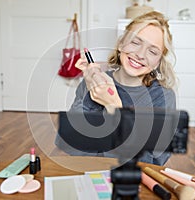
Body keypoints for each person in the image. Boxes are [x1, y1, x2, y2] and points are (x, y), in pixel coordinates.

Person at [56, 11, 177, 166]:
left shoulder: (162, 97)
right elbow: (72, 147)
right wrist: (89, 93)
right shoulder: (92, 82)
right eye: (135, 42)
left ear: (158, 61)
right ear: (121, 43)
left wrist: (114, 108)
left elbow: (149, 162)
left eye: (152, 51)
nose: (140, 54)